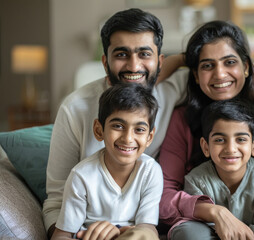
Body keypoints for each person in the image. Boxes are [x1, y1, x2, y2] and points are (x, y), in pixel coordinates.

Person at [43, 8, 188, 239]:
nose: (133, 66)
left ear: (160, 61)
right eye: (121, 54)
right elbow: (56, 199)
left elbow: (228, 74)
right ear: (105, 61)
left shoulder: (171, 91)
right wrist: (80, 233)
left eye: (144, 54)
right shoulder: (75, 108)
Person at [158, 20, 254, 240]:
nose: (220, 74)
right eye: (207, 65)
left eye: (229, 62)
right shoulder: (182, 119)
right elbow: (163, 196)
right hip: (199, 223)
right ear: (196, 75)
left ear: (246, 67)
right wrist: (215, 211)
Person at [53, 83, 162, 240]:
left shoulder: (151, 171)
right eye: (118, 126)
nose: (128, 138)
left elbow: (148, 228)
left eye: (139, 130)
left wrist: (121, 232)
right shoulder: (81, 176)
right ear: (99, 130)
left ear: (149, 137)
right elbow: (61, 235)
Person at [183, 99, 254, 240]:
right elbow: (198, 227)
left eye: (241, 139)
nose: (230, 149)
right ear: (206, 147)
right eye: (219, 140)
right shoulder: (196, 180)